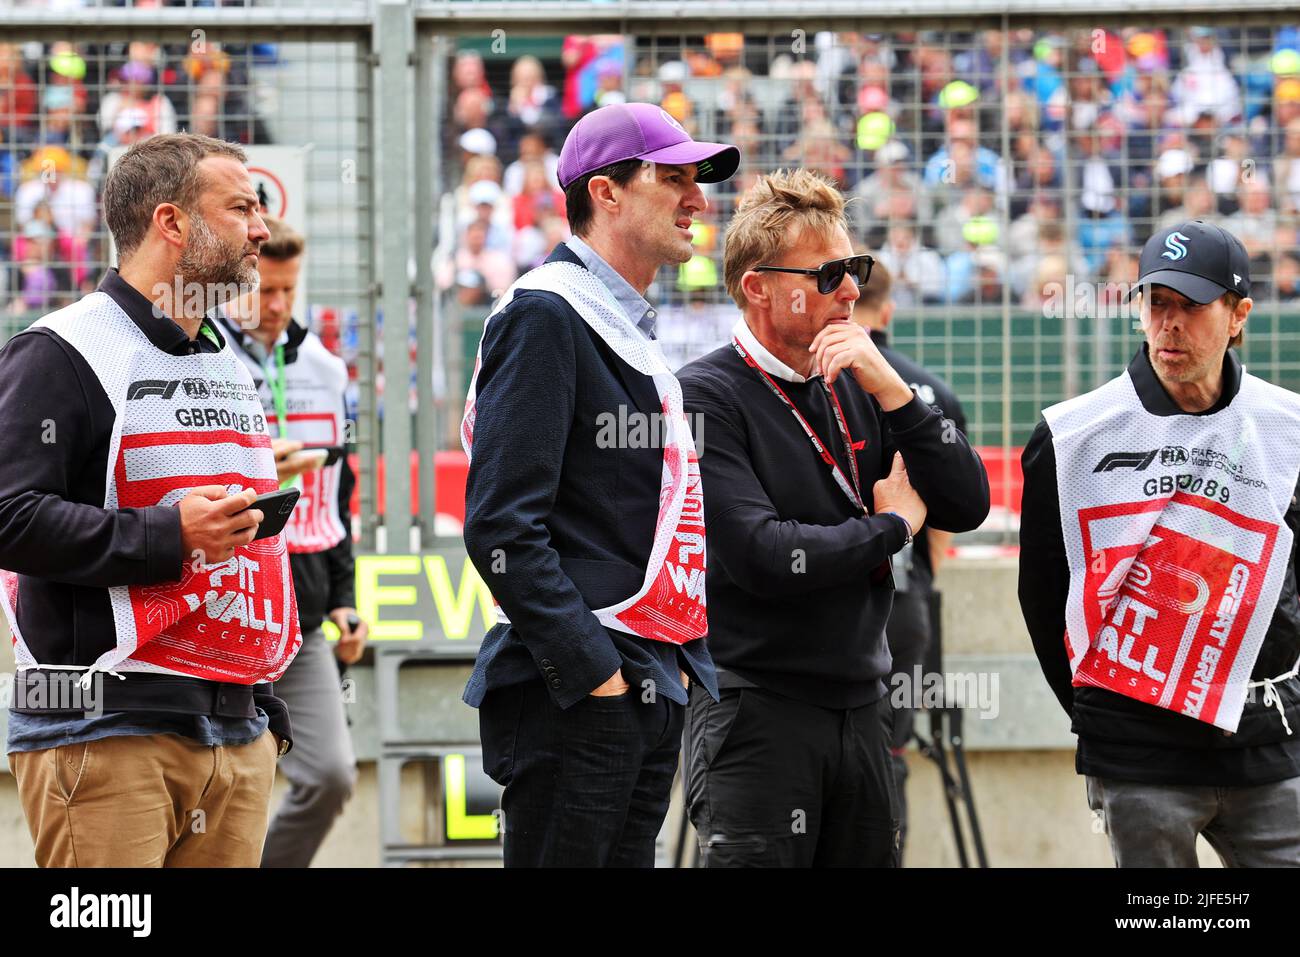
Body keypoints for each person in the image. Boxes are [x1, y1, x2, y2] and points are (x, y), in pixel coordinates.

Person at [0, 132, 300, 867]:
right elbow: (10, 516)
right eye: (240, 207)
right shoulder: (60, 349)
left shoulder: (226, 357)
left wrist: (261, 715)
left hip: (233, 729)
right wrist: (169, 535)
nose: (260, 228)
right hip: (105, 732)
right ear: (171, 223)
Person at [678, 169, 990, 867]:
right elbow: (763, 554)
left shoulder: (860, 381)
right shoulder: (703, 395)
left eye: (855, 268)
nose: (852, 290)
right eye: (828, 275)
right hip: (755, 712)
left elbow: (968, 502)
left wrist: (895, 392)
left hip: (863, 707)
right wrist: (893, 529)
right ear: (759, 287)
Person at [460, 102, 739, 867]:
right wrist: (597, 675)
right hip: (580, 692)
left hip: (644, 678)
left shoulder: (624, 328)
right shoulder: (547, 312)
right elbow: (500, 529)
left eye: (698, 180)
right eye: (674, 178)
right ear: (606, 192)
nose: (697, 200)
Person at [1020, 220, 1300, 868]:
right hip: (1137, 751)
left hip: (1267, 740)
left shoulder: (1287, 428)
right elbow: (1041, 597)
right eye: (1156, 302)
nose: (1169, 324)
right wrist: (1100, 715)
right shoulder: (1071, 437)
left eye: (1191, 306)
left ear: (1238, 316)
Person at [216, 216, 366, 868]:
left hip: (300, 611)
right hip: (220, 607)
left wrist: (343, 597)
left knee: (332, 774)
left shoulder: (325, 368)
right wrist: (255, 472)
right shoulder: (198, 355)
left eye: (288, 290)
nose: (277, 306)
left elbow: (339, 488)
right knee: (226, 782)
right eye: (264, 291)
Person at [851, 257, 971, 861]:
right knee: (889, 755)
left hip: (833, 598)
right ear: (889, 310)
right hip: (907, 604)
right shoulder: (932, 393)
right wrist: (918, 577)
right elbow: (948, 520)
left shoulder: (821, 376)